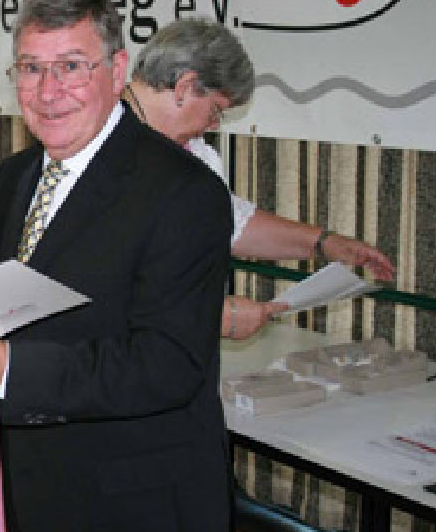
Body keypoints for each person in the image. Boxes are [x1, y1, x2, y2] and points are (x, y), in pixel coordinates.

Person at [0, 0, 234, 532]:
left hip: (140, 525)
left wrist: (12, 371)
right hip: (42, 507)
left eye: (72, 66)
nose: (49, 91)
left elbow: (169, 363)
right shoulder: (17, 176)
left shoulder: (182, 191)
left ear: (117, 70)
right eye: (31, 68)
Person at [123, 17, 395, 340]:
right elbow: (90, 282)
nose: (214, 125)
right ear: (185, 87)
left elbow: (228, 222)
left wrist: (323, 242)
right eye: (216, 110)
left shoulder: (187, 149)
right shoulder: (95, 142)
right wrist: (206, 316)